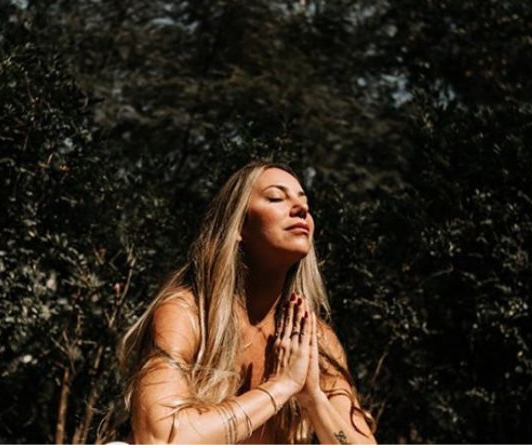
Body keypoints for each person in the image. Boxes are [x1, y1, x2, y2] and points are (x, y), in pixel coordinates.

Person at [117, 161, 377, 444]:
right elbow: (159, 438)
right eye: (276, 198)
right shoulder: (187, 313)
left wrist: (313, 398)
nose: (301, 209)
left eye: (306, 203)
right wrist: (281, 386)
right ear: (238, 225)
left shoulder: (313, 340)